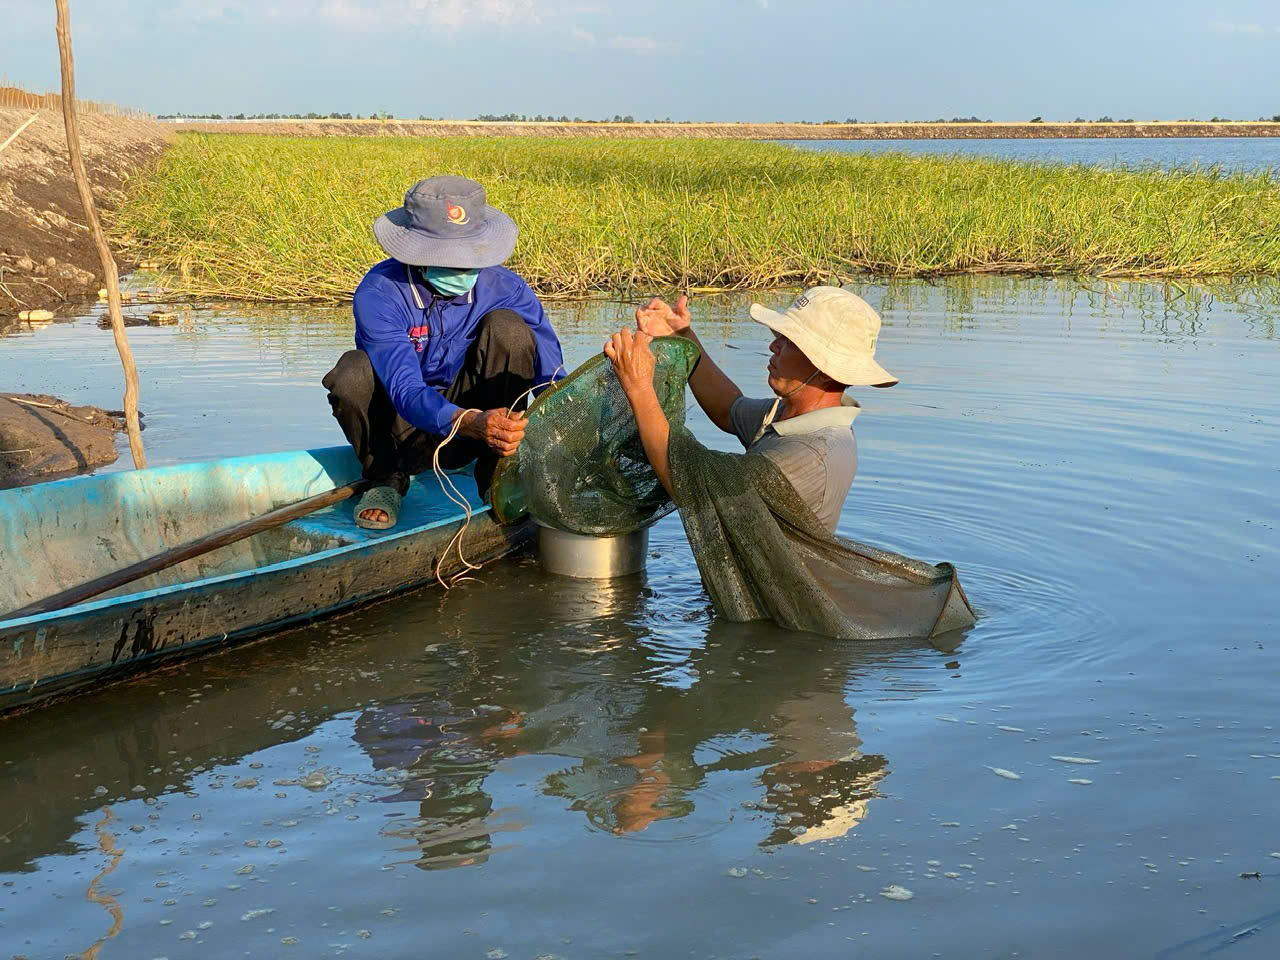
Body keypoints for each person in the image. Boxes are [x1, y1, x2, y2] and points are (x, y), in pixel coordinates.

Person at [323, 175, 564, 529]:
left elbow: (551, 377)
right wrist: (469, 421)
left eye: (468, 257)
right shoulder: (380, 293)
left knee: (509, 329)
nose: (462, 269)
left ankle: (496, 472)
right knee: (351, 373)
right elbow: (405, 389)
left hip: (487, 427)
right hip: (403, 427)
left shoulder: (506, 288)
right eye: (449, 258)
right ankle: (385, 479)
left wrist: (566, 430)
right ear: (416, 252)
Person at [605, 286, 897, 532]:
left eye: (789, 341)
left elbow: (689, 484)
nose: (774, 346)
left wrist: (639, 387)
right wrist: (682, 336)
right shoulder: (792, 415)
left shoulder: (809, 456)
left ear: (824, 370)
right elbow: (728, 409)